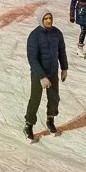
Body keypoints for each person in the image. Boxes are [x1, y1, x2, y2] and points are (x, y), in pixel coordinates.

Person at [24, 11, 67, 141]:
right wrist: (42, 76)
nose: (49, 21)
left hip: (53, 71)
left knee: (54, 98)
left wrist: (64, 68)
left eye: (50, 18)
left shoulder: (57, 33)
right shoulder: (34, 36)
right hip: (39, 73)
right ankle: (29, 124)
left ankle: (50, 119)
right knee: (35, 99)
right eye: (46, 19)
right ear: (41, 20)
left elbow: (61, 51)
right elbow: (32, 58)